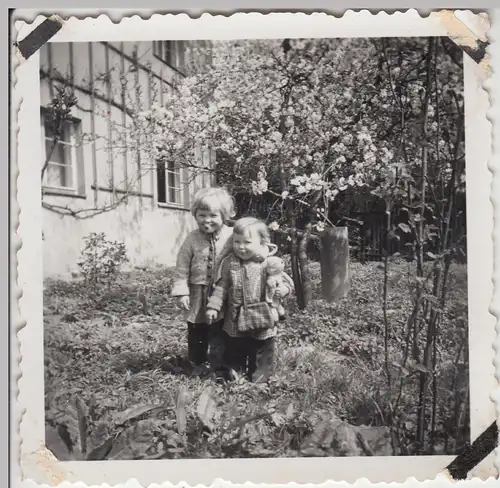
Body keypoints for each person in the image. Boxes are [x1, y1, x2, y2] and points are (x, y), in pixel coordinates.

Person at [206, 217, 294, 382]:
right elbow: (222, 287)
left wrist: (283, 290)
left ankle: (259, 378)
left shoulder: (269, 263)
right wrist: (214, 306)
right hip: (235, 316)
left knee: (262, 349)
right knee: (233, 348)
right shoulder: (230, 263)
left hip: (262, 315)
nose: (241, 247)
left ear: (262, 242)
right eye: (237, 242)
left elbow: (284, 282)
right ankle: (234, 375)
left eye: (247, 242)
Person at [171, 187, 235, 374]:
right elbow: (182, 265)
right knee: (196, 327)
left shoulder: (231, 237)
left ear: (223, 216)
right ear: (195, 215)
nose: (207, 220)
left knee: (220, 328)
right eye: (202, 215)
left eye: (213, 215)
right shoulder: (192, 239)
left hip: (222, 293)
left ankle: (219, 364)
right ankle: (196, 361)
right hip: (197, 292)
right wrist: (182, 291)